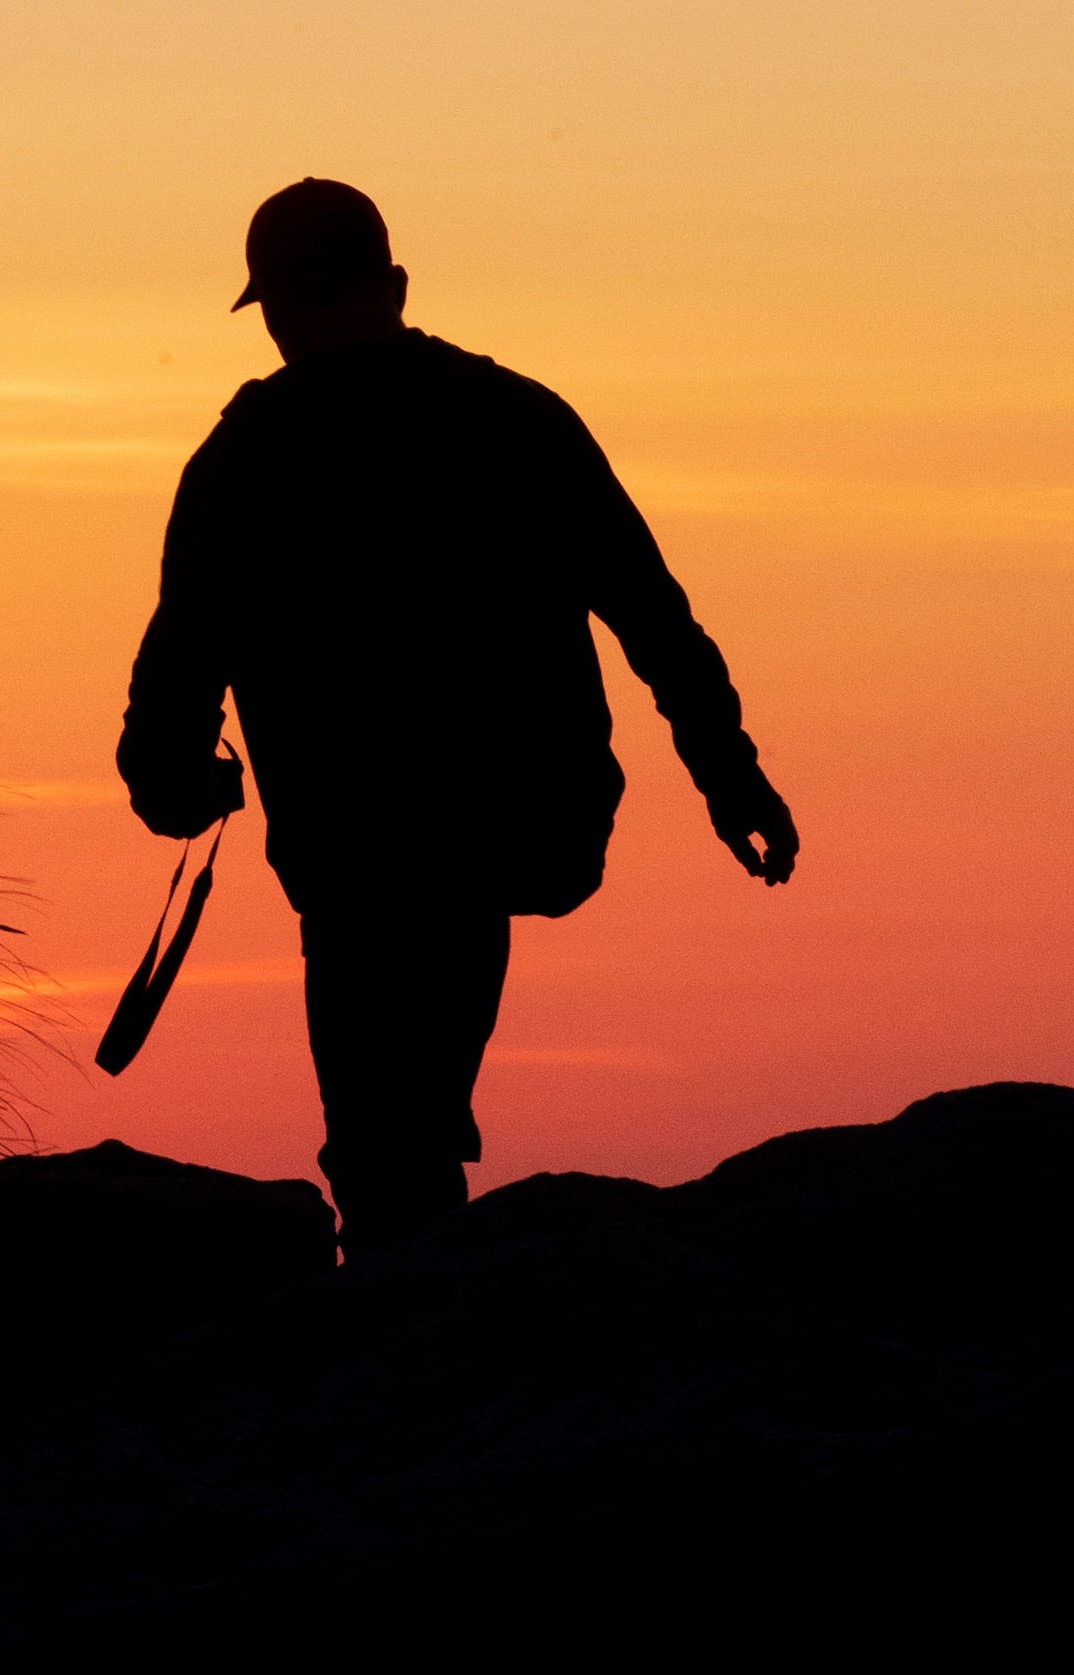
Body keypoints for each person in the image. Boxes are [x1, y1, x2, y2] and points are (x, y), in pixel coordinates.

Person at [118, 178, 796, 1255]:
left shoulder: (249, 452)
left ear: (281, 308)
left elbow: (178, 670)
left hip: (369, 848)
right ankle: (422, 1248)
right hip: (512, 824)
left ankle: (408, 1291)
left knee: (385, 1121)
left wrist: (181, 787)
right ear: (392, 286)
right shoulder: (515, 418)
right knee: (407, 1096)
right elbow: (654, 617)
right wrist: (732, 778)